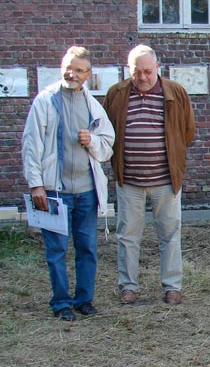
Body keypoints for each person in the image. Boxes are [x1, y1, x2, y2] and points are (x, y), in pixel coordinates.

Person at [22, 46, 114, 321]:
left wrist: (92, 141)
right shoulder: (45, 101)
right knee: (56, 251)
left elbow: (107, 146)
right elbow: (31, 145)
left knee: (87, 249)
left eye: (78, 69)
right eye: (67, 67)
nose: (71, 73)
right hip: (54, 192)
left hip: (86, 192)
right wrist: (35, 184)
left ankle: (84, 300)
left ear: (88, 74)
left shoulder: (92, 105)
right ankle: (61, 303)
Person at [103, 45, 196, 306]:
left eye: (147, 71)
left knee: (169, 235)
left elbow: (187, 131)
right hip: (129, 181)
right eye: (136, 72)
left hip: (166, 181)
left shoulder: (175, 93)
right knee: (128, 236)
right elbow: (107, 132)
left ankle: (172, 286)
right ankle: (128, 286)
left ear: (157, 67)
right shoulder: (117, 94)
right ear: (128, 70)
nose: (142, 77)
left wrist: (173, 158)